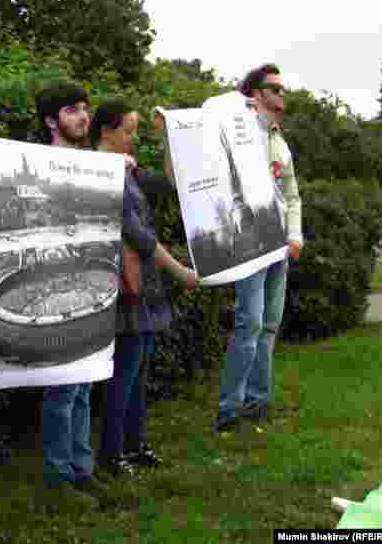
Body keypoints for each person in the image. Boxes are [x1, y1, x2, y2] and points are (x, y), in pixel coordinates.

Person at [91, 98, 197, 476]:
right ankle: (112, 453)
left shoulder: (127, 169)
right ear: (106, 131)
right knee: (123, 376)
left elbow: (171, 183)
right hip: (125, 285)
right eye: (128, 131)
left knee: (139, 375)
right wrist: (180, 271)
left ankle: (134, 446)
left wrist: (170, 136)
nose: (132, 138)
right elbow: (139, 237)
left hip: (143, 284)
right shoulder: (102, 172)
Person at [28, 80, 111, 511]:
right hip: (55, 281)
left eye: (85, 108)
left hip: (87, 282)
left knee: (82, 383)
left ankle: (82, 468)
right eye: (73, 110)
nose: (83, 116)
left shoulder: (89, 165)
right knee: (62, 387)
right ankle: (60, 474)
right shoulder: (39, 163)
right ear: (50, 120)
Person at [210, 64, 303, 433]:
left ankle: (258, 402)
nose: (282, 95)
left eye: (283, 88)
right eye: (275, 88)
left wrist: (294, 236)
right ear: (255, 94)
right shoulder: (236, 132)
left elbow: (292, 195)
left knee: (268, 327)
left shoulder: (279, 141)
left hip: (280, 246)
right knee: (248, 326)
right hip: (249, 245)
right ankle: (228, 411)